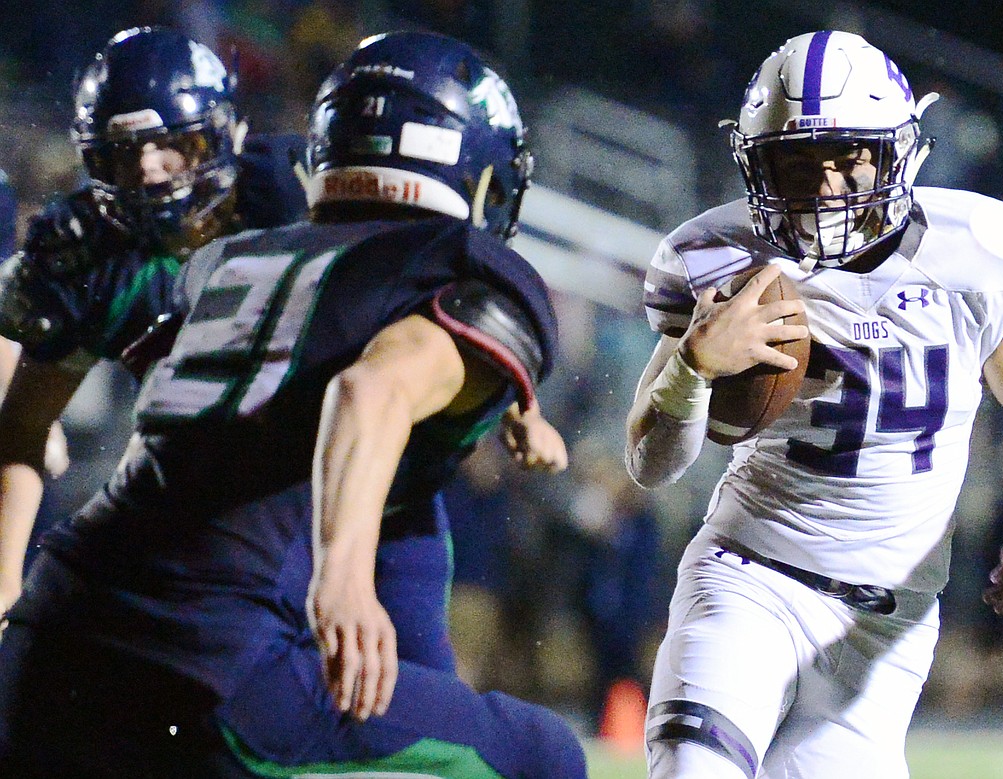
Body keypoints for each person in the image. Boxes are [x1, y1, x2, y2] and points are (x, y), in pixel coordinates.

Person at [0, 30, 585, 778]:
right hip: (212, 654)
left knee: (410, 603)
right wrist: (340, 581)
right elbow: (368, 386)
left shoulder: (232, 256)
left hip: (54, 630)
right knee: (544, 753)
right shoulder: (465, 270)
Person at [624, 30, 1003, 778]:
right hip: (751, 577)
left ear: (896, 152)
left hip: (889, 628)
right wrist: (693, 364)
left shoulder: (976, 254)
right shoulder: (725, 263)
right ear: (757, 162)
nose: (825, 186)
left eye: (847, 156)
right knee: (695, 767)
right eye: (797, 159)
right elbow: (651, 461)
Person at [0, 26, 308, 615]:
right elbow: (22, 427)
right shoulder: (94, 258)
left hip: (342, 482)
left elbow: (410, 291)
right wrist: (4, 577)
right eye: (122, 152)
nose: (148, 170)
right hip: (200, 509)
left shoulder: (294, 197)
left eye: (172, 145)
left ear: (221, 135)